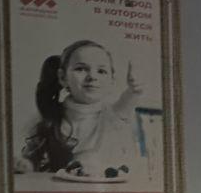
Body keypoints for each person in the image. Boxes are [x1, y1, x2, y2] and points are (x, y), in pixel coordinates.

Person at [15, 39, 143, 178]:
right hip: (61, 189)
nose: (92, 76)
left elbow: (127, 102)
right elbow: (31, 160)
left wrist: (134, 90)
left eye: (101, 71)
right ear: (62, 77)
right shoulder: (50, 117)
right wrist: (25, 165)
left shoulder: (113, 116)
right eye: (81, 69)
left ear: (112, 80)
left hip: (108, 189)